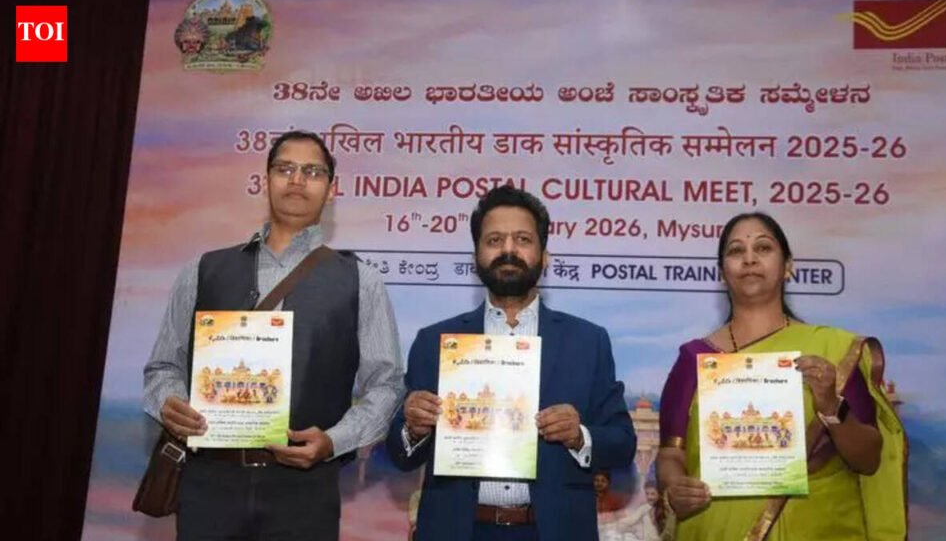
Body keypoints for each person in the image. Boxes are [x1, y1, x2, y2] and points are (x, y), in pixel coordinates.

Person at [143, 130, 405, 540]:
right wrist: (169, 402)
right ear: (265, 180)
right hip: (209, 484)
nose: (297, 180)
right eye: (285, 169)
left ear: (331, 190)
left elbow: (386, 385)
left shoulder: (361, 281)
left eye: (312, 172)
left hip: (305, 492)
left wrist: (334, 441)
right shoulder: (203, 270)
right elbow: (163, 367)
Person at [386, 186, 637, 541]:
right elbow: (401, 455)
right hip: (457, 531)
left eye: (522, 239)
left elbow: (623, 443)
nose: (508, 250)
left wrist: (579, 435)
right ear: (476, 256)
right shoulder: (434, 341)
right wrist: (413, 428)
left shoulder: (588, 342)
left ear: (544, 256)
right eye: (494, 240)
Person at [655, 211, 907, 541]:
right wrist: (675, 487)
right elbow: (670, 453)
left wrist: (832, 408)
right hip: (717, 528)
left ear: (788, 266)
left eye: (763, 248)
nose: (749, 259)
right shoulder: (694, 359)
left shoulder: (831, 351)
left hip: (820, 528)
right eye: (736, 251)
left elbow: (869, 460)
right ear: (722, 274)